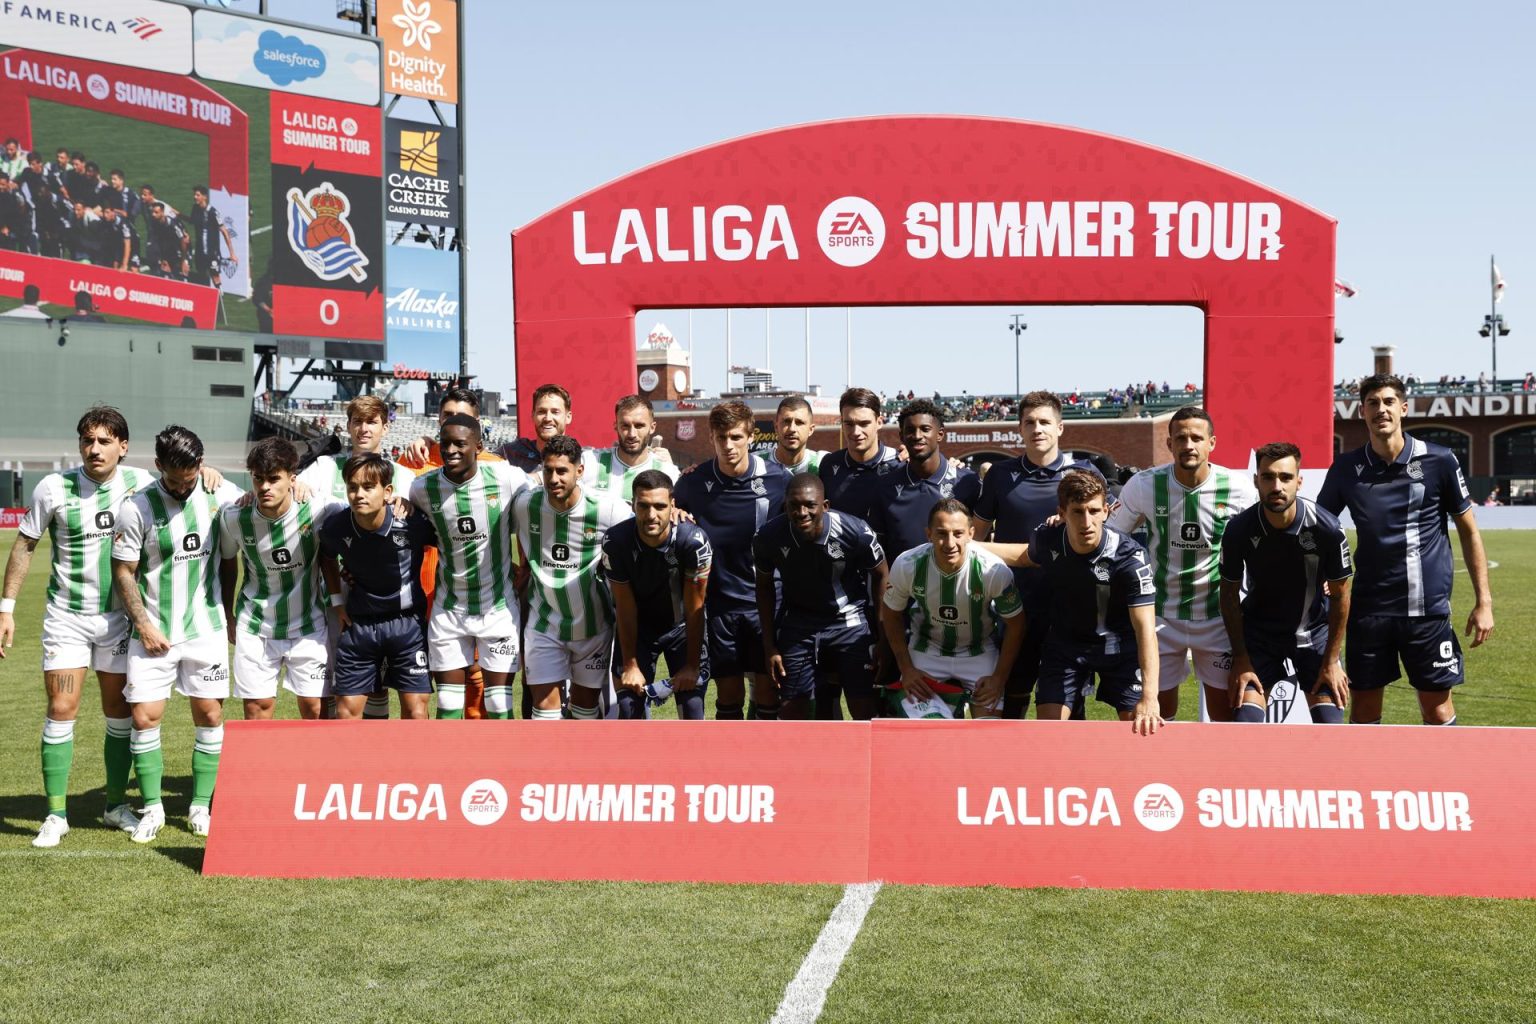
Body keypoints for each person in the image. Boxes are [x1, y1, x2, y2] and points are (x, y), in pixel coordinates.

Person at [0, 407, 154, 847]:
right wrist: (6, 608)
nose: (94, 449)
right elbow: (25, 545)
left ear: (123, 447)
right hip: (66, 617)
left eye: (105, 441)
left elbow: (187, 480)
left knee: (119, 712)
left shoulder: (142, 483)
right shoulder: (54, 487)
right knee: (61, 708)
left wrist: (212, 474)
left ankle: (114, 806)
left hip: (120, 619)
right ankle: (55, 814)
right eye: (88, 440)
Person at [1317, 373, 1494, 725]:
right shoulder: (1346, 468)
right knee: (1365, 712)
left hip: (1426, 611)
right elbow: (1319, 526)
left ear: (1403, 408)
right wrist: (1323, 572)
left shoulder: (1440, 461)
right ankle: (1368, 781)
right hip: (1368, 611)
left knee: (1438, 710)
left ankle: (1446, 780)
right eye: (1372, 403)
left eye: (1387, 402)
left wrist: (1484, 602)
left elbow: (1469, 531)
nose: (1380, 409)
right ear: (1362, 412)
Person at [110, 426, 244, 841]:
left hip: (206, 630)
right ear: (158, 467)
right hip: (153, 633)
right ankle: (152, 809)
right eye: (174, 479)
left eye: (190, 478)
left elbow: (261, 497)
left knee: (210, 715)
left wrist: (302, 486)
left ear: (200, 467)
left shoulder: (217, 493)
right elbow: (123, 572)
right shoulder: (137, 508)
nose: (184, 488)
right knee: (144, 717)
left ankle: (200, 807)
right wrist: (144, 625)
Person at [979, 470, 1163, 733]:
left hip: (1120, 649)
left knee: (1141, 725)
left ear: (1106, 512)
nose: (1086, 521)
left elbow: (1145, 629)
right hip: (1066, 647)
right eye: (1077, 511)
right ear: (1062, 513)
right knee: (1050, 731)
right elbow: (1023, 556)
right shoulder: (1049, 537)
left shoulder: (1129, 559)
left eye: (1093, 510)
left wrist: (1150, 696)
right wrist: (970, 544)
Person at [1106, 407, 1256, 720]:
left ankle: (1213, 771)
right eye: (1181, 438)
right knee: (1156, 714)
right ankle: (1161, 770)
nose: (1189, 444)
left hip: (1217, 617)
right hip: (1160, 616)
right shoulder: (1144, 485)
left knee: (1224, 716)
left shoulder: (1239, 488)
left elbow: (1266, 542)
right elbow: (1111, 539)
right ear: (1169, 444)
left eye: (1196, 438)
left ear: (1211, 443)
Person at [972, 390, 1099, 718]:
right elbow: (975, 538)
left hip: (1069, 605)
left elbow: (1102, 538)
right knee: (1014, 694)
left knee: (1069, 704)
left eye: (1045, 422)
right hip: (1014, 604)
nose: (1037, 428)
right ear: (1020, 428)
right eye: (1030, 422)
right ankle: (1012, 767)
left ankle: (1072, 769)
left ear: (1060, 428)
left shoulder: (1083, 475)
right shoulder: (1001, 475)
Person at [1218, 443, 1353, 723]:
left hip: (1313, 636)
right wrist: (1241, 658)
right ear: (1256, 480)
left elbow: (1341, 595)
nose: (1276, 486)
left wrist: (1332, 660)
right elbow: (1229, 594)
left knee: (1331, 730)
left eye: (1286, 477)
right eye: (1268, 477)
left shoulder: (1327, 529)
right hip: (1260, 638)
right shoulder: (1239, 529)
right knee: (1245, 724)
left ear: (1299, 482)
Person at [673, 401, 792, 719]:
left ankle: (766, 766)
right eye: (721, 437)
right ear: (711, 437)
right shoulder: (692, 483)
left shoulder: (779, 481)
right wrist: (674, 513)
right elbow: (670, 518)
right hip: (718, 606)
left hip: (765, 605)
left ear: (751, 436)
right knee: (728, 695)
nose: (729, 445)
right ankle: (732, 766)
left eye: (736, 437)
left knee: (768, 693)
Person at [408, 414, 530, 719]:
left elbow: (541, 503)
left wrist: (526, 566)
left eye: (460, 444)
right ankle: (449, 767)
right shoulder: (422, 489)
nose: (450, 450)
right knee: (448, 706)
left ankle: (502, 766)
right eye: (445, 443)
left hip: (498, 610)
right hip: (449, 612)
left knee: (499, 705)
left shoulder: (507, 478)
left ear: (478, 446)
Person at [219, 438, 344, 723]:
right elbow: (228, 564)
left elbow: (361, 517)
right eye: (258, 479)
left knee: (316, 710)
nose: (265, 487)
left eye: (274, 479)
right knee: (257, 710)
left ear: (292, 477)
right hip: (256, 626)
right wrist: (228, 614)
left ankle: (316, 769)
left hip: (309, 625)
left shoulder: (320, 509)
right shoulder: (234, 517)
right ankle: (261, 769)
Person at [513, 435, 632, 720]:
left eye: (562, 471)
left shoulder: (608, 508)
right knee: (544, 711)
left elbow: (638, 537)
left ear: (579, 471)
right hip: (544, 624)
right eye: (548, 470)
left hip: (593, 626)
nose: (553, 478)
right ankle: (546, 766)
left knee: (584, 712)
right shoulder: (525, 504)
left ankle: (578, 766)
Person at [754, 473, 887, 720]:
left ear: (825, 506)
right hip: (798, 625)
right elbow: (763, 587)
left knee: (864, 709)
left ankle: (862, 759)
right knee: (792, 711)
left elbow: (881, 574)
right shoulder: (768, 536)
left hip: (849, 622)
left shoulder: (855, 531)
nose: (801, 512)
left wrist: (881, 635)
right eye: (794, 506)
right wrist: (769, 646)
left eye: (810, 505)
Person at [881, 497, 1025, 719]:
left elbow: (1016, 625)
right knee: (924, 736)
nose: (950, 543)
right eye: (941, 533)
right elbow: (890, 614)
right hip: (926, 650)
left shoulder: (994, 570)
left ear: (971, 534)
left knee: (988, 732)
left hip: (979, 651)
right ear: (928, 534)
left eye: (958, 533)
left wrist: (998, 678)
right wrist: (907, 669)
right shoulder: (907, 564)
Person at [319, 454, 437, 720]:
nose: (359, 494)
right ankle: (357, 764)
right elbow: (325, 556)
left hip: (407, 625)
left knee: (417, 711)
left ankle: (412, 764)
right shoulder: (336, 526)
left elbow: (448, 548)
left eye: (368, 487)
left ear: (387, 492)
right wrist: (337, 601)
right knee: (346, 712)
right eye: (352, 486)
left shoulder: (412, 523)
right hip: (359, 626)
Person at [602, 470, 712, 719]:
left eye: (660, 506)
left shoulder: (693, 541)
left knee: (692, 707)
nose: (651, 515)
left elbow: (696, 606)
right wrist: (630, 665)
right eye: (643, 506)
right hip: (639, 629)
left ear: (672, 505)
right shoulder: (616, 542)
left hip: (683, 627)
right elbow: (624, 606)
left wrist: (692, 666)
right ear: (633, 504)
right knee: (629, 707)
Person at [868, 399, 980, 561]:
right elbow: (879, 551)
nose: (917, 436)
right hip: (903, 584)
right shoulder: (885, 486)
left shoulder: (967, 482)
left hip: (955, 583)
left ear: (940, 434)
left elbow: (981, 542)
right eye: (910, 430)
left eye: (925, 429)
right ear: (901, 436)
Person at [818, 387, 901, 518]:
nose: (856, 432)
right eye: (849, 424)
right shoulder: (829, 464)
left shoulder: (899, 464)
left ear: (879, 422)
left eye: (864, 423)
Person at [584, 394, 678, 502]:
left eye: (639, 426)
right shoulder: (589, 462)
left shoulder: (668, 472)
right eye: (625, 426)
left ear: (652, 428)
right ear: (616, 426)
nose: (632, 434)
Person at [186, 186, 235, 288]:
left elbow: (224, 231)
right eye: (194, 195)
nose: (195, 197)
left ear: (205, 197)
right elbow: (191, 221)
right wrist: (174, 212)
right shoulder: (195, 209)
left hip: (212, 252)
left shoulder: (213, 212)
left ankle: (219, 299)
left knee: (215, 276)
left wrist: (232, 253)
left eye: (197, 195)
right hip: (200, 251)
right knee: (201, 276)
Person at [765, 395, 823, 473]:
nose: (792, 429)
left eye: (799, 422)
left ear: (810, 429)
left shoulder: (822, 463)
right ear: (776, 427)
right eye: (786, 421)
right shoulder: (757, 463)